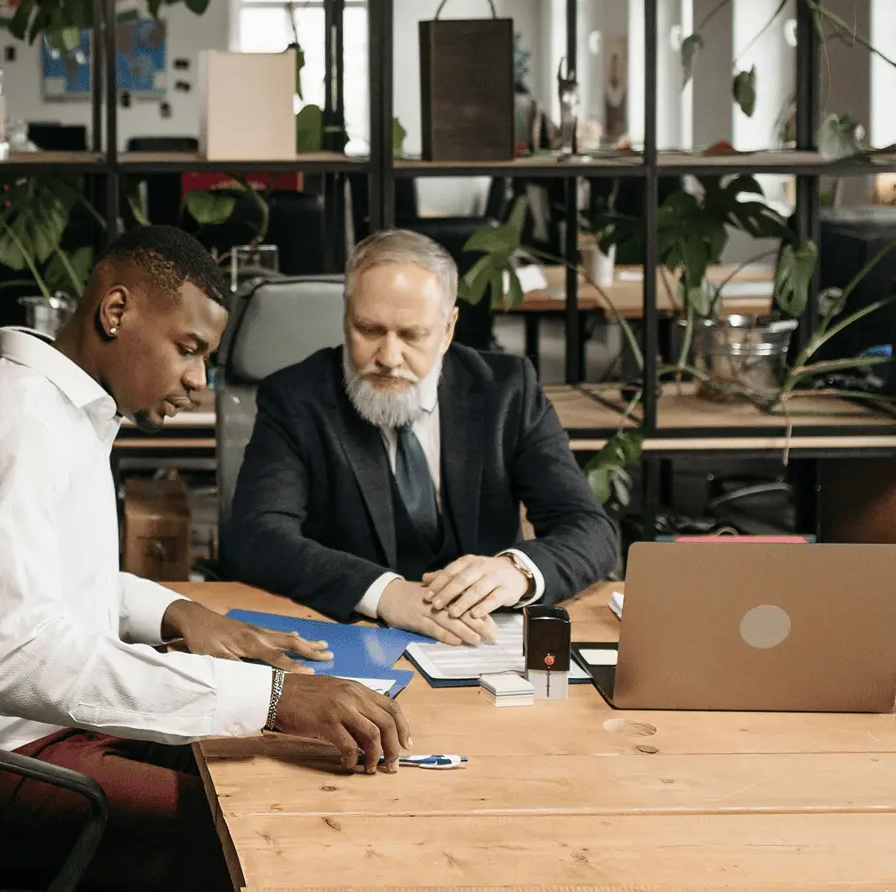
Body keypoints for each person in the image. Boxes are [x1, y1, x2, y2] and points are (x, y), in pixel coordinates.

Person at [0, 225, 412, 892]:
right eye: (188, 349)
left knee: (259, 766)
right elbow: (21, 662)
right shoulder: (18, 429)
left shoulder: (60, 414)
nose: (195, 380)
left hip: (32, 735)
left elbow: (56, 577)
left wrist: (181, 611)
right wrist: (277, 696)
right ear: (116, 310)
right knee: (252, 830)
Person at [221, 228, 620, 643]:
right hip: (353, 638)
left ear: (448, 329)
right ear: (346, 315)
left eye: (413, 335)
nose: (389, 358)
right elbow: (256, 535)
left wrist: (516, 570)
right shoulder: (295, 398)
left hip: (481, 640)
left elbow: (589, 528)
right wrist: (384, 593)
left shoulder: (507, 391)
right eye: (369, 330)